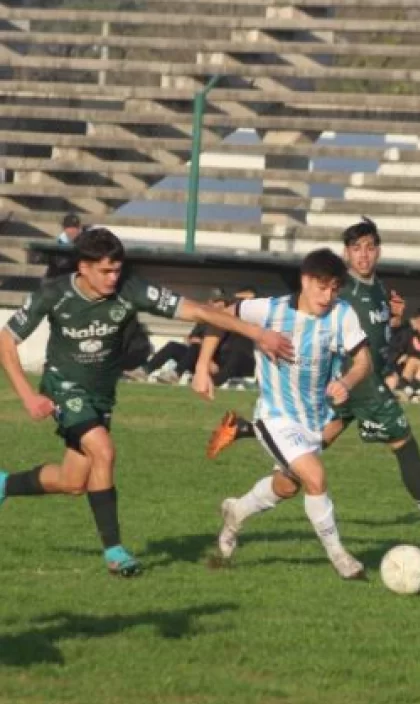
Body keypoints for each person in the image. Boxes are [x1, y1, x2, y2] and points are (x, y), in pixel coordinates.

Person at [0, 228, 293, 577]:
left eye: (117, 270)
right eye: (105, 271)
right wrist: (29, 396)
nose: (113, 278)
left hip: (101, 395)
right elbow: (5, 340)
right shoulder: (54, 293)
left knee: (73, 481)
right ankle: (115, 552)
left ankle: (4, 484)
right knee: (104, 451)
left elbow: (199, 311)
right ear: (83, 267)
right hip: (64, 389)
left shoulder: (131, 289)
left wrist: (258, 334)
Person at [202, 218, 420, 557]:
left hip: (345, 390)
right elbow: (272, 311)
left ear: (378, 250)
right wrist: (207, 361)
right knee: (403, 441)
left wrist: (395, 319)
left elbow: (375, 334)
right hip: (356, 384)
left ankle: (239, 503)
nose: (363, 255)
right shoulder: (339, 289)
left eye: (369, 248)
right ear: (345, 254)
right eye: (356, 249)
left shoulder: (380, 289)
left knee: (291, 479)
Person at [193, 248, 373, 579]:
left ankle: (237, 510)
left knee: (288, 487)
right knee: (315, 477)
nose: (328, 295)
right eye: (322, 287)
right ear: (305, 280)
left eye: (334, 288)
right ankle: (340, 557)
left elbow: (364, 362)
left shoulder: (342, 314)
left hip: (314, 420)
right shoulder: (268, 310)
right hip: (274, 416)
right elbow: (214, 316)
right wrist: (203, 365)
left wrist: (346, 382)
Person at [125, 288, 229, 384]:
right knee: (173, 346)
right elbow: (191, 338)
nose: (220, 305)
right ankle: (144, 371)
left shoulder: (227, 323)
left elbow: (227, 348)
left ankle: (176, 374)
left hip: (214, 363)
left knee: (197, 347)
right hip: (195, 358)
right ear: (210, 303)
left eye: (222, 302)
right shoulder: (204, 320)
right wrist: (194, 341)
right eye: (216, 302)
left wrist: (208, 358)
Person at [45, 213, 82, 279]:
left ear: (79, 228)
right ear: (64, 228)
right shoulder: (57, 245)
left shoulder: (84, 243)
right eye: (69, 227)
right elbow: (59, 265)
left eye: (75, 227)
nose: (72, 230)